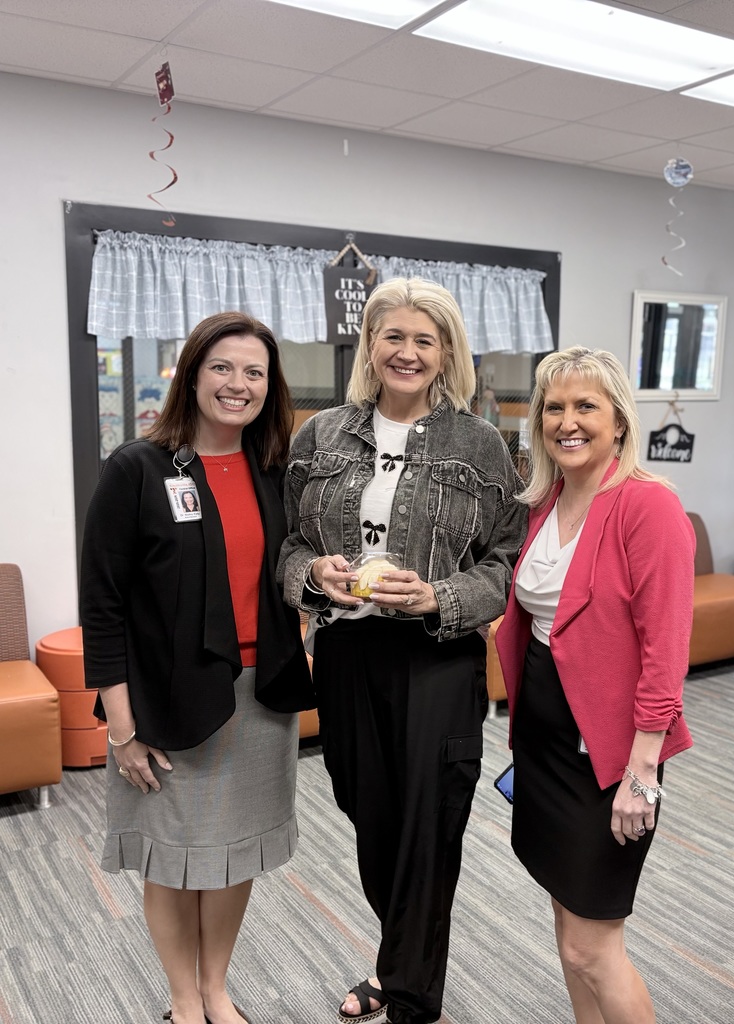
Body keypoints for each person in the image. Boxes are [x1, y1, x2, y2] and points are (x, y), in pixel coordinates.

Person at [277, 277, 527, 1024]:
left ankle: (413, 998)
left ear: (446, 352)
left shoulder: (479, 444)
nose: (408, 352)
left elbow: (503, 564)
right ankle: (400, 964)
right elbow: (288, 544)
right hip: (348, 655)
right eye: (394, 336)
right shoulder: (319, 436)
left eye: (425, 339)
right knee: (370, 812)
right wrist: (314, 576)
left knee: (428, 823)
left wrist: (439, 598)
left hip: (436, 656)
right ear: (370, 344)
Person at [80, 312, 314, 1024]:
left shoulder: (274, 471)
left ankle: (218, 988)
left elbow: (291, 572)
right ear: (191, 373)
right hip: (166, 702)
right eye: (221, 367)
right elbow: (104, 608)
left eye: (253, 372)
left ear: (269, 388)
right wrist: (123, 729)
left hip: (259, 698)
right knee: (173, 859)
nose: (237, 384)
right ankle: (184, 1002)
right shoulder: (137, 469)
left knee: (236, 854)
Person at [494, 346, 695, 1024]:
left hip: (609, 756)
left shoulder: (648, 506)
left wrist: (641, 773)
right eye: (555, 407)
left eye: (587, 407)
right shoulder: (543, 500)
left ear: (618, 422)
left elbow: (665, 653)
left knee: (593, 946)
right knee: (567, 926)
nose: (567, 421)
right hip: (546, 743)